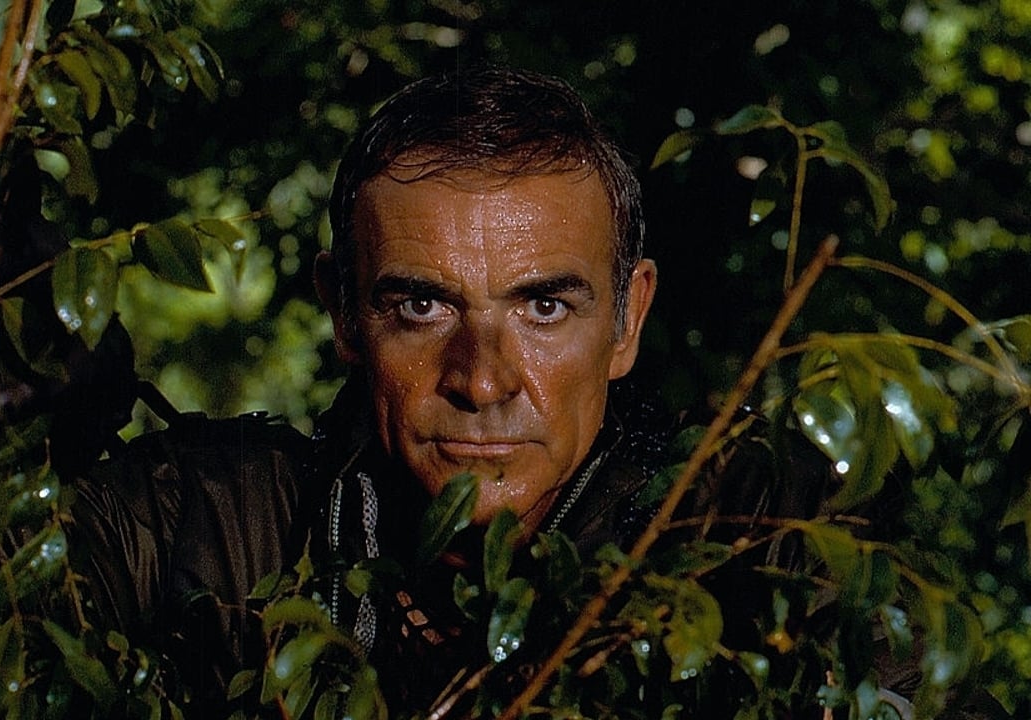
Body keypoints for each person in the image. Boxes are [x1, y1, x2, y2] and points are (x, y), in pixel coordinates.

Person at [69, 66, 825, 715]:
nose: (483, 380)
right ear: (344, 312)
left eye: (544, 307)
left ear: (628, 321)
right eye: (422, 307)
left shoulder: (760, 523)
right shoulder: (200, 523)